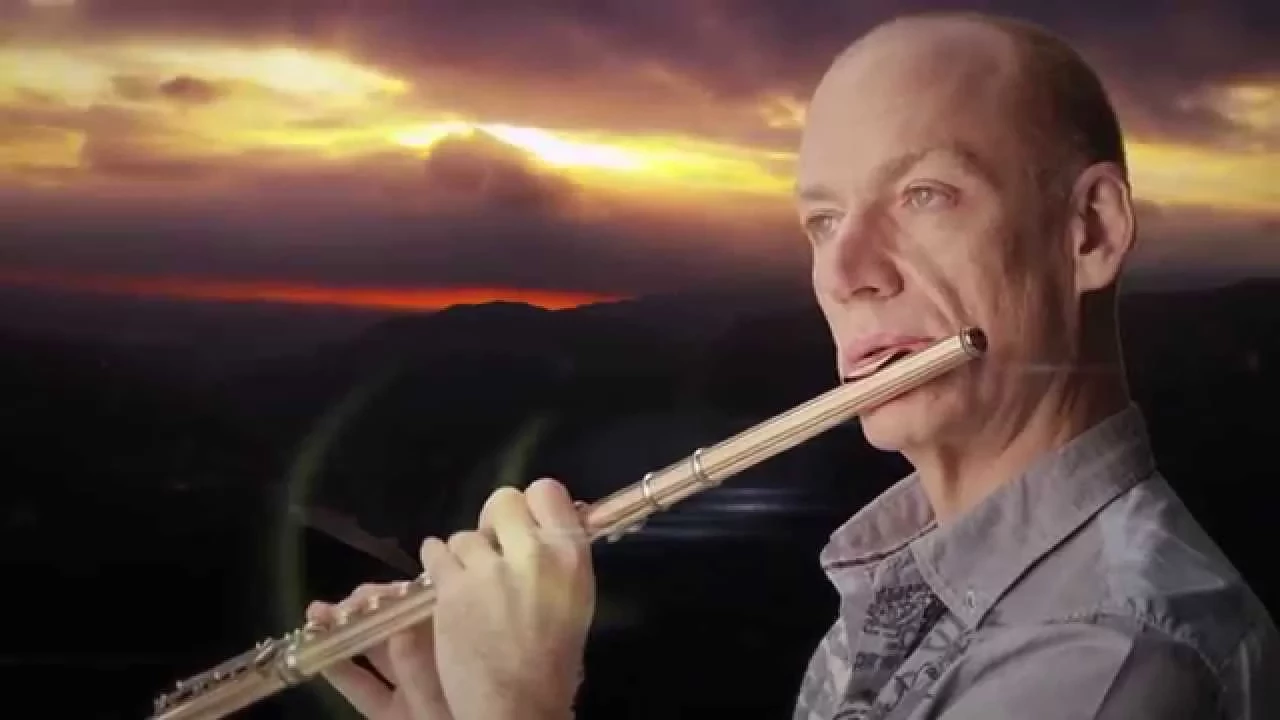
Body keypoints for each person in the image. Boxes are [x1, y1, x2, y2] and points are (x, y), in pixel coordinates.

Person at [305, 11, 1278, 720]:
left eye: (925, 194)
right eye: (822, 220)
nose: (846, 274)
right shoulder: (907, 576)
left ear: (1088, 231)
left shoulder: (1109, 654)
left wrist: (519, 709)